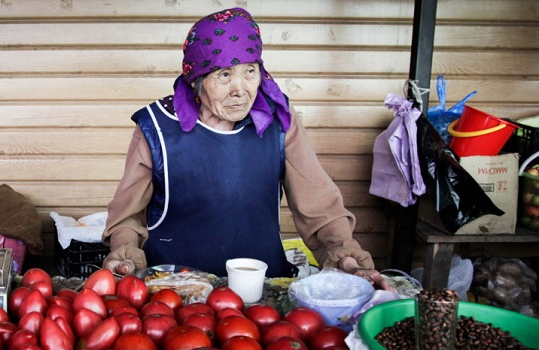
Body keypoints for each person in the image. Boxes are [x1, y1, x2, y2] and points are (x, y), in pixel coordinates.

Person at [102, 7, 390, 290]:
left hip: (260, 291)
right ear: (197, 82)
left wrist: (344, 253)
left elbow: (320, 205)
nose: (241, 89)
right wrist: (125, 251)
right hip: (172, 293)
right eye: (224, 75)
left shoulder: (279, 120)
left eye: (250, 71)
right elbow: (128, 215)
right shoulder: (156, 126)